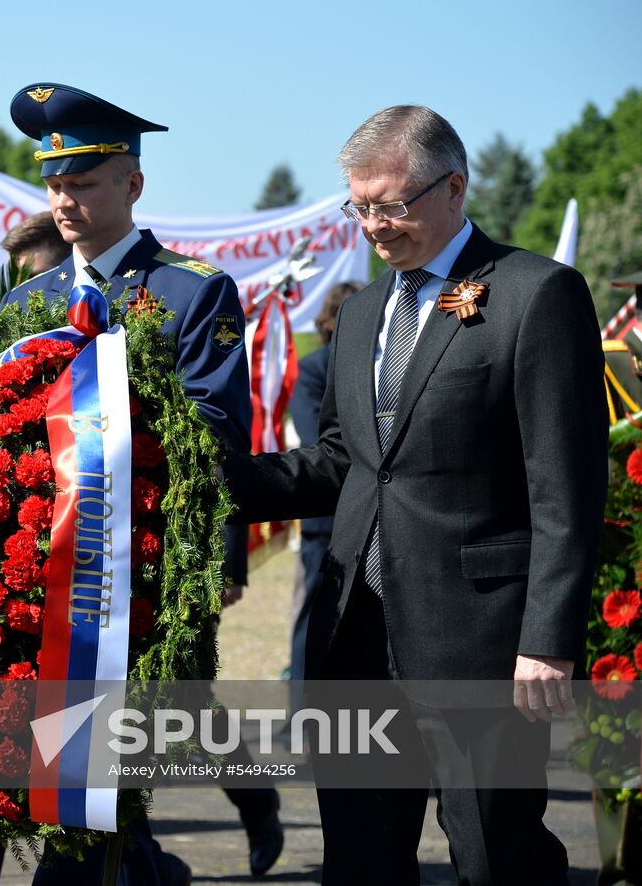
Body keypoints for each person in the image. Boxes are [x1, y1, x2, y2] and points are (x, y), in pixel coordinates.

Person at [221, 105, 607, 884]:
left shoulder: (538, 294)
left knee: (498, 857)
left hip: (482, 645)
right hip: (356, 639)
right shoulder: (363, 312)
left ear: (455, 187)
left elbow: (566, 487)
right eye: (359, 207)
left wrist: (548, 639)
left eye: (391, 204)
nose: (373, 226)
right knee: (360, 860)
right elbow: (343, 462)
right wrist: (207, 481)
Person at [2, 82, 280, 885]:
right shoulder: (32, 304)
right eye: (55, 184)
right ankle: (156, 873)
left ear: (132, 185)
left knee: (102, 795)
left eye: (84, 182)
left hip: (144, 581)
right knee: (77, 801)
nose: (65, 200)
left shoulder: (195, 293)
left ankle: (190, 842)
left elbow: (217, 435)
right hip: (43, 587)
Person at [286, 280, 361, 686]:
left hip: (377, 514)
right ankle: (303, 715)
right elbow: (318, 438)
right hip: (325, 516)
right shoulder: (315, 368)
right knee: (314, 615)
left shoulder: (381, 360)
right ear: (330, 323)